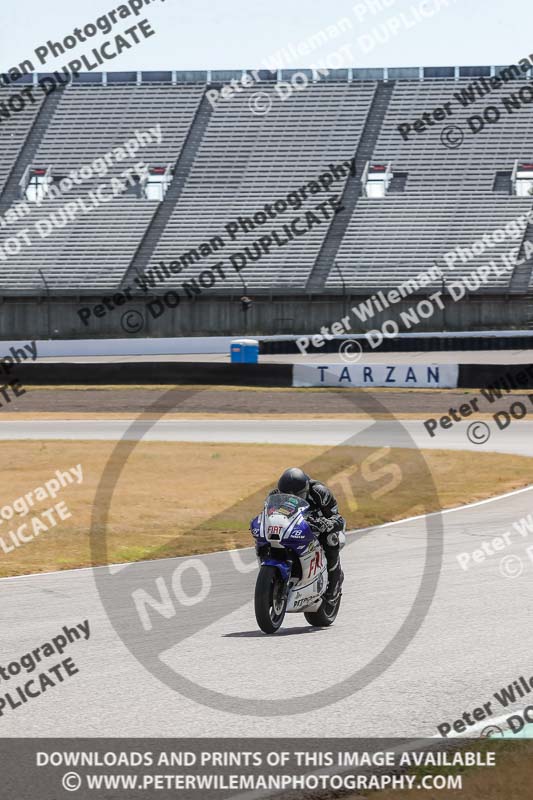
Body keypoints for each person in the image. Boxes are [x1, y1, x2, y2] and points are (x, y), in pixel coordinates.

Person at [277, 467, 345, 602]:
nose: (293, 499)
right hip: (293, 528)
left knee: (331, 540)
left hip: (318, 528)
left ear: (306, 490)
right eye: (287, 496)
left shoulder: (320, 492)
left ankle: (334, 584)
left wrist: (327, 523)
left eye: (297, 496)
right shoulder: (276, 494)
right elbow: (269, 514)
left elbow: (338, 518)